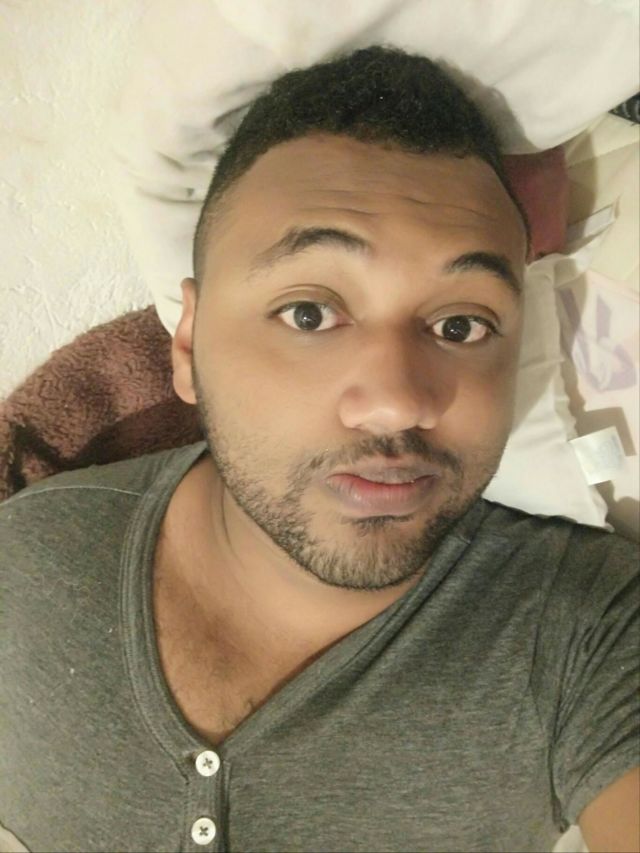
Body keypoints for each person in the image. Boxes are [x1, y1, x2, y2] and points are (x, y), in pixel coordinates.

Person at [1, 45, 638, 853]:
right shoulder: (23, 572)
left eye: (461, 325)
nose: (399, 400)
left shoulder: (589, 631)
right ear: (188, 345)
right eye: (310, 313)